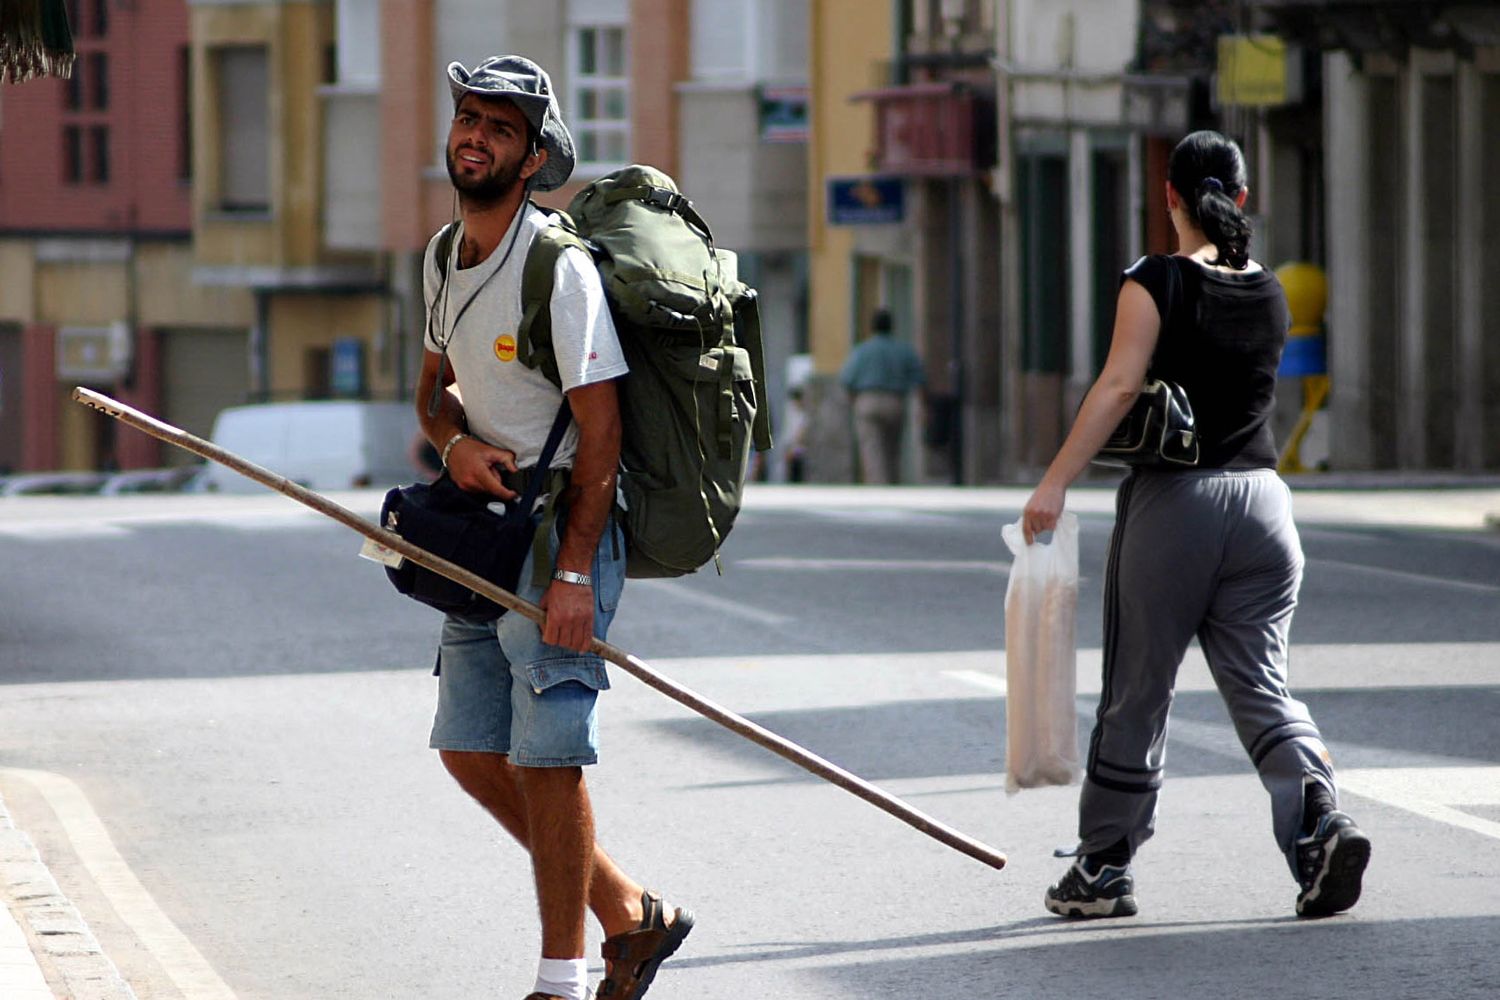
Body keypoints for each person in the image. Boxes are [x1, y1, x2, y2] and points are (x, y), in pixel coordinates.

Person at [1021, 130, 1370, 921]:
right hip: (1265, 508)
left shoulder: (1154, 281)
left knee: (1138, 689)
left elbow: (1117, 387)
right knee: (1261, 685)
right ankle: (1319, 823)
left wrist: (1053, 483)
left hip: (1177, 506)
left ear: (1168, 196)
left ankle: (1104, 867)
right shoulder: (1273, 290)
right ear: (1242, 198)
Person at [414, 55, 692, 1000]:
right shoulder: (441, 254)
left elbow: (603, 430)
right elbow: (431, 396)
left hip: (560, 534)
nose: (474, 137)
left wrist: (574, 575)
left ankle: (561, 979)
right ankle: (628, 911)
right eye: (467, 118)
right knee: (468, 746)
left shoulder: (557, 268)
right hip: (481, 533)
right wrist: (453, 446)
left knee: (549, 751)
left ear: (533, 158)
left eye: (499, 128)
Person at [838, 308, 924, 484]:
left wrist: (854, 401)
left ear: (872, 327)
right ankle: (893, 481)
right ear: (892, 327)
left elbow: (846, 379)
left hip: (867, 400)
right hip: (895, 400)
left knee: (872, 449)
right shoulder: (904, 350)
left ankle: (878, 484)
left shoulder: (862, 350)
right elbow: (919, 378)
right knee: (893, 447)